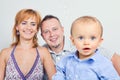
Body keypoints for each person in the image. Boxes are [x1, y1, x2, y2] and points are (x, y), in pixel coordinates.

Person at [40, 15, 120, 75]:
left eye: (55, 29)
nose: (52, 34)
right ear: (42, 36)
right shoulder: (40, 53)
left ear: (62, 29)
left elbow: (113, 58)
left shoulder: (79, 44)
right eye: (46, 31)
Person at [0, 9, 56, 80]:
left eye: (33, 24)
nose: (28, 27)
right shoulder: (5, 53)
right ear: (17, 27)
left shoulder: (43, 52)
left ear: (36, 29)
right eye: (24, 23)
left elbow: (55, 78)